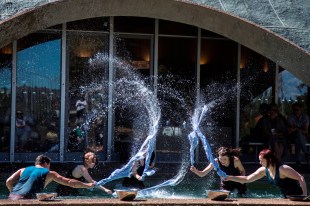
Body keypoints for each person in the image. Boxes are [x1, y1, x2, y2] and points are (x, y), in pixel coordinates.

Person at [6, 154, 94, 200]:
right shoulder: (50, 173)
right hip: (25, 200)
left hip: (11, 197)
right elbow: (70, 182)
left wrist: (12, 192)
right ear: (45, 164)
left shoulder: (23, 169)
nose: (49, 168)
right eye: (49, 165)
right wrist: (87, 185)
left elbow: (8, 181)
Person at [225, 149, 308, 197]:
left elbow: (300, 178)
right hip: (287, 198)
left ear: (270, 160)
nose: (260, 163)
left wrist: (304, 195)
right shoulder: (264, 170)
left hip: (299, 197)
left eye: (262, 161)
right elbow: (247, 179)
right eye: (259, 161)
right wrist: (230, 177)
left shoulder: (282, 169)